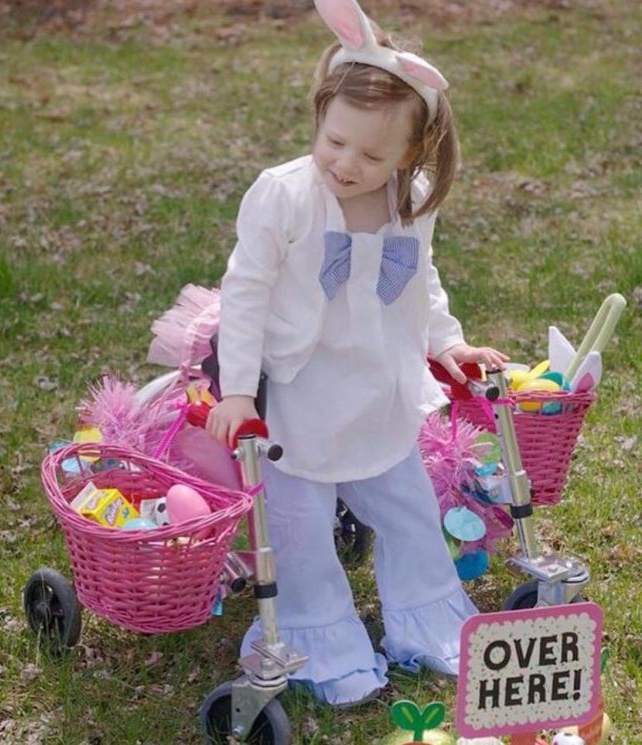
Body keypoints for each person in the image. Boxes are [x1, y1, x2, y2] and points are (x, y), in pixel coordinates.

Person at [205, 0, 508, 706]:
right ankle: (318, 633)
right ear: (319, 117)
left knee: (405, 506)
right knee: (300, 524)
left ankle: (426, 617)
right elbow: (243, 293)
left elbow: (421, 282)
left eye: (372, 155)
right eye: (335, 141)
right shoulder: (282, 196)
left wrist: (449, 340)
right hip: (300, 391)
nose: (346, 163)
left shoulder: (413, 198)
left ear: (410, 154)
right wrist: (238, 391)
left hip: (377, 385)